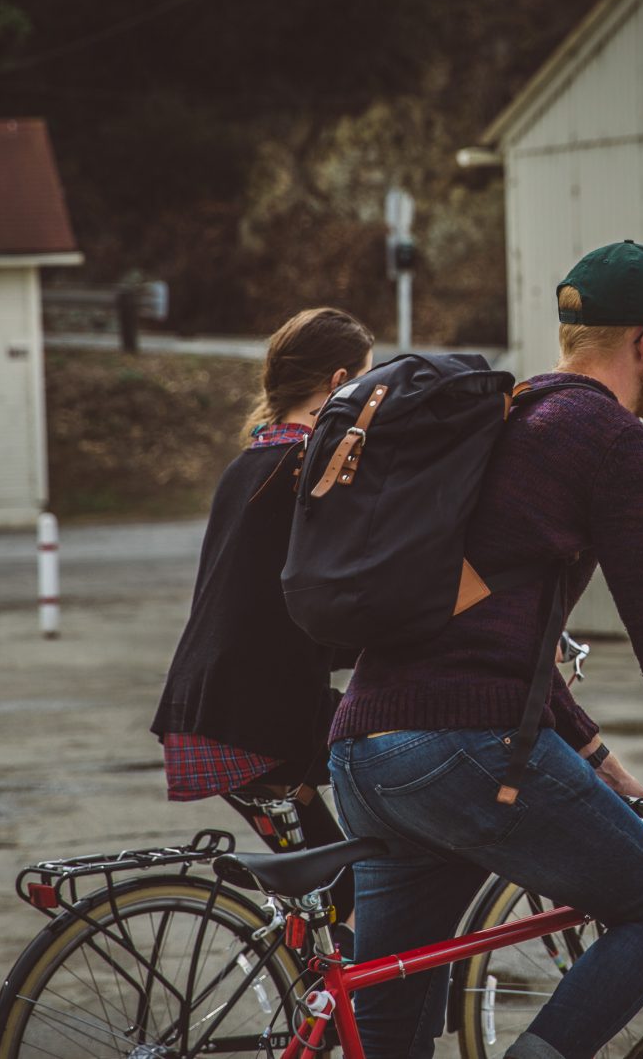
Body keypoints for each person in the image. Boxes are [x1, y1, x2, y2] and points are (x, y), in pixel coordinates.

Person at [327, 241, 643, 1059]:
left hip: (366, 751)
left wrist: (604, 767)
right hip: (460, 749)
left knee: (387, 1031)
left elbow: (507, 646)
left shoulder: (511, 416)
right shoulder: (609, 439)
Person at [150, 307, 374, 919]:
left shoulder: (255, 462)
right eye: (363, 383)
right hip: (246, 723)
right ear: (337, 383)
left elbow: (276, 602)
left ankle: (317, 987)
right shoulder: (305, 471)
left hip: (216, 709)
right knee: (344, 890)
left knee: (329, 888)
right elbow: (337, 594)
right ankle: (323, 1005)